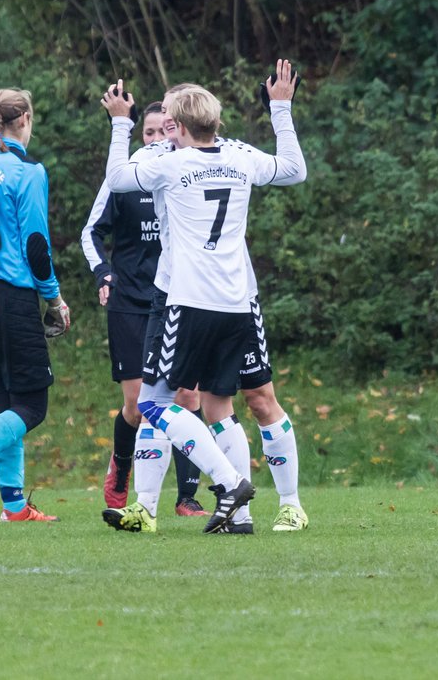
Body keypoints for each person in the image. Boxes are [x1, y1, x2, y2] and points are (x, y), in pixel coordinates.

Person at [100, 61, 306, 534]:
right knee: (215, 406)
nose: (164, 126)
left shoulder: (168, 164)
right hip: (235, 301)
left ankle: (232, 483)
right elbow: (294, 170)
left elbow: (115, 180)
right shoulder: (237, 156)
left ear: (182, 125)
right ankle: (233, 514)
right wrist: (280, 109)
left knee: (154, 402)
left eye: (170, 119)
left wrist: (119, 123)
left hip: (187, 302)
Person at [80, 103, 208, 517]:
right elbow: (91, 231)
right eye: (148, 132)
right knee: (138, 406)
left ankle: (187, 497)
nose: (156, 139)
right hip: (131, 304)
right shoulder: (126, 178)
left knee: (189, 395)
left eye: (162, 132)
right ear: (140, 137)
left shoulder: (182, 177)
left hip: (178, 299)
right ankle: (121, 467)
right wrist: (103, 272)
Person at [0, 88, 70, 523]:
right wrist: (53, 298)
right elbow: (36, 245)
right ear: (25, 121)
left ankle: (14, 506)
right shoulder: (27, 171)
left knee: (8, 400)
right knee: (32, 406)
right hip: (10, 297)